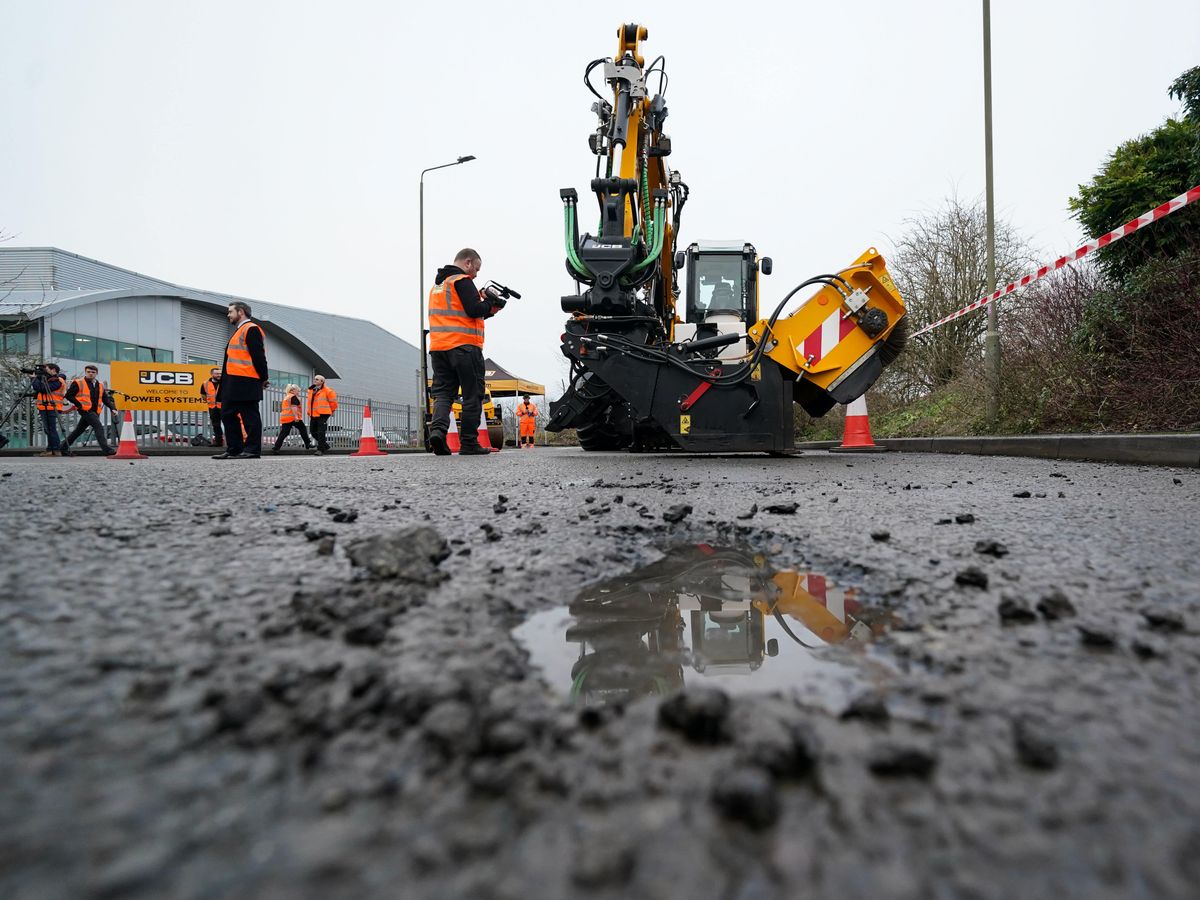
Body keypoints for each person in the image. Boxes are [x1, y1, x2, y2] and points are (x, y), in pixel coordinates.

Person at [427, 248, 506, 456]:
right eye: (476, 269)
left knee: (443, 394)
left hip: (439, 349)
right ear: (468, 262)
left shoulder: (438, 286)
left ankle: (437, 432)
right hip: (464, 348)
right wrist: (490, 302)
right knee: (473, 395)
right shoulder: (462, 280)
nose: (476, 275)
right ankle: (469, 443)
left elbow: (462, 315)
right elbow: (473, 310)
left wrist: (488, 311)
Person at [214, 301, 268, 459]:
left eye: (231, 311)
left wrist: (263, 377)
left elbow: (259, 356)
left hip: (246, 379)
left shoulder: (251, 329)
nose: (228, 314)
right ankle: (234, 449)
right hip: (233, 380)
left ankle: (252, 450)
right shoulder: (239, 331)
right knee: (227, 414)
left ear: (241, 312)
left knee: (249, 416)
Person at [61, 365, 117, 456]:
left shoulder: (100, 384)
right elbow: (68, 396)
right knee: (98, 427)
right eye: (88, 372)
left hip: (95, 411)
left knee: (79, 430)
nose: (90, 374)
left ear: (96, 373)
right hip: (85, 410)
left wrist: (113, 408)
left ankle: (63, 447)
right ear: (85, 372)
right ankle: (107, 450)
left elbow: (105, 398)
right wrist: (79, 404)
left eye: (93, 372)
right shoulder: (78, 382)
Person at [31, 363, 66, 457]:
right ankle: (50, 450)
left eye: (46, 369)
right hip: (45, 406)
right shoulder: (48, 379)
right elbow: (39, 391)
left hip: (52, 407)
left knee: (51, 429)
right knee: (48, 429)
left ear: (53, 370)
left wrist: (34, 379)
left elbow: (42, 389)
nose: (44, 371)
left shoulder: (57, 380)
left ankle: (56, 449)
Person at [273, 384, 314, 453]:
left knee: (284, 433)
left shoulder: (287, 397)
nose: (299, 392)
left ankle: (276, 447)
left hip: (285, 417)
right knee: (303, 429)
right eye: (298, 391)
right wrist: (296, 416)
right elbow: (293, 407)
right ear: (293, 390)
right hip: (293, 417)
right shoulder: (293, 397)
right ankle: (307, 444)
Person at [306, 374, 338, 455]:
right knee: (313, 432)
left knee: (321, 432)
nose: (315, 380)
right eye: (314, 379)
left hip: (323, 414)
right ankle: (325, 445)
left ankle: (320, 450)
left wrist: (331, 411)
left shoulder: (328, 391)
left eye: (317, 379)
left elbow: (333, 402)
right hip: (313, 414)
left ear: (322, 381)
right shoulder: (311, 390)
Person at [200, 367, 224, 447]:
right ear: (212, 374)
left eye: (220, 373)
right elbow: (203, 395)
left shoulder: (225, 382)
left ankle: (232, 443)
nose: (219, 375)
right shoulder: (205, 383)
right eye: (217, 373)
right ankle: (218, 442)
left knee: (229, 424)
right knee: (216, 425)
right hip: (213, 407)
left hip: (224, 407)